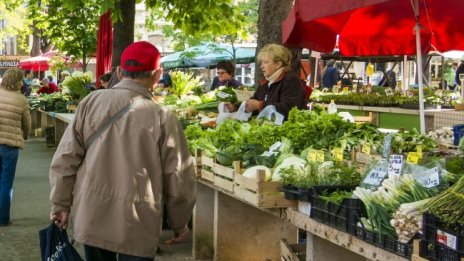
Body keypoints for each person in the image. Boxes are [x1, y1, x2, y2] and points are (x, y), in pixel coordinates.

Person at [48, 41, 196, 261]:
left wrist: (60, 204)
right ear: (157, 75)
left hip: (92, 212)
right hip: (138, 219)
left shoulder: (90, 102)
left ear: (119, 71)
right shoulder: (163, 116)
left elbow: (66, 158)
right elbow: (178, 174)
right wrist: (179, 222)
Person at [227, 44, 306, 119]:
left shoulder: (291, 80)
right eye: (261, 62)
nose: (261, 66)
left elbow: (289, 109)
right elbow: (253, 101)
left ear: (278, 64)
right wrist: (234, 107)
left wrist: (260, 105)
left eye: (266, 62)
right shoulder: (266, 84)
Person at [0, 68, 31, 226]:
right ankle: (3, 218)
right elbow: (27, 124)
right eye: (21, 80)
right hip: (10, 146)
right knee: (6, 183)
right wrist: (25, 136)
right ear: (17, 81)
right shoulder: (21, 100)